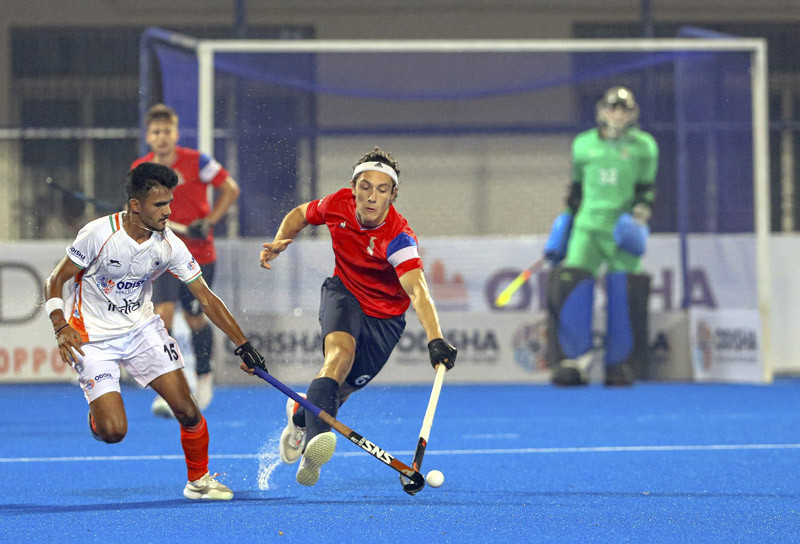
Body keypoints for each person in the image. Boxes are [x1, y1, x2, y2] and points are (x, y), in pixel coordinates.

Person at [44, 162, 266, 500]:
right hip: (91, 339)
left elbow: (205, 297)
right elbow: (55, 281)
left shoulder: (169, 244)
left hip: (141, 331)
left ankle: (199, 481)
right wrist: (60, 326)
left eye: (169, 203)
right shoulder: (98, 235)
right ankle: (98, 415)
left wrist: (243, 345)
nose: (169, 211)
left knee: (189, 411)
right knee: (113, 432)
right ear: (136, 206)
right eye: (160, 205)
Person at [246, 147, 457, 487]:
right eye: (365, 187)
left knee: (340, 391)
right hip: (343, 294)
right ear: (354, 186)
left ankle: (299, 418)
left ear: (393, 195)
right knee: (338, 357)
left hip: (385, 320)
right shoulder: (337, 204)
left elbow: (418, 290)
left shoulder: (399, 238)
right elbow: (301, 214)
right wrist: (281, 240)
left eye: (382, 189)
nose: (372, 197)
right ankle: (314, 445)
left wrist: (435, 338)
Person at [543, 86, 658, 387]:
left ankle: (621, 364)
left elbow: (646, 189)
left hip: (622, 229)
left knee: (625, 289)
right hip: (588, 228)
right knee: (574, 281)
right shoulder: (582, 145)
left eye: (623, 108)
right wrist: (565, 225)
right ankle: (574, 361)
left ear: (632, 113)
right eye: (613, 108)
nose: (617, 114)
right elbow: (577, 191)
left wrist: (643, 211)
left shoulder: (645, 146)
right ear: (602, 110)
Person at [131, 104, 241, 416]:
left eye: (167, 131)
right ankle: (172, 389)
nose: (162, 137)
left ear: (175, 134)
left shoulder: (197, 161)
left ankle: (203, 378)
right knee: (161, 318)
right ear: (148, 137)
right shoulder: (140, 168)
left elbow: (230, 189)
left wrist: (210, 221)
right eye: (156, 132)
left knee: (195, 320)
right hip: (159, 256)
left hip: (197, 254)